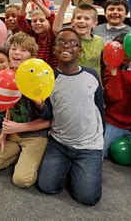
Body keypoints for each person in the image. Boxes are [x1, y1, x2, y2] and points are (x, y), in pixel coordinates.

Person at [37, 28, 104, 206]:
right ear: (54, 49)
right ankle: (69, 168)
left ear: (80, 50)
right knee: (46, 186)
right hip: (59, 143)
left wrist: (100, 139)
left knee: (87, 198)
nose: (66, 46)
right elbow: (48, 114)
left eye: (73, 43)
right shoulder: (49, 78)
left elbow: (99, 109)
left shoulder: (91, 75)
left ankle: (84, 168)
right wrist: (39, 104)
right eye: (61, 42)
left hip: (89, 146)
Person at [0, 32, 50, 188]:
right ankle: (20, 155)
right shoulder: (9, 74)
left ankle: (31, 157)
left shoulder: (40, 77)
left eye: (23, 50)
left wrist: (22, 125)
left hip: (35, 136)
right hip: (14, 134)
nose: (16, 53)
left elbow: (50, 120)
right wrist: (2, 136)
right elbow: (10, 106)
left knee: (21, 181)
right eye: (14, 48)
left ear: (32, 56)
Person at [102, 33, 131, 157]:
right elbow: (114, 96)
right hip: (113, 122)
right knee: (99, 152)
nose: (124, 54)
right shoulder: (111, 70)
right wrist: (113, 72)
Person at [54, 0, 103, 77]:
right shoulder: (68, 38)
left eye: (87, 18)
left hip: (92, 83)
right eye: (78, 18)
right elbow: (56, 29)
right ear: (72, 21)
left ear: (94, 23)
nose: (81, 21)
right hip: (71, 81)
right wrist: (65, 1)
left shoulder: (99, 41)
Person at [17, 0, 57, 68]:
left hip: (50, 72)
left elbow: (52, 17)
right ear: (31, 24)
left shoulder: (52, 36)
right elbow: (20, 20)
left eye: (42, 20)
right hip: (35, 71)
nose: (37, 23)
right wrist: (24, 3)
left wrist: (37, 2)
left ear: (49, 24)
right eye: (34, 21)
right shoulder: (32, 35)